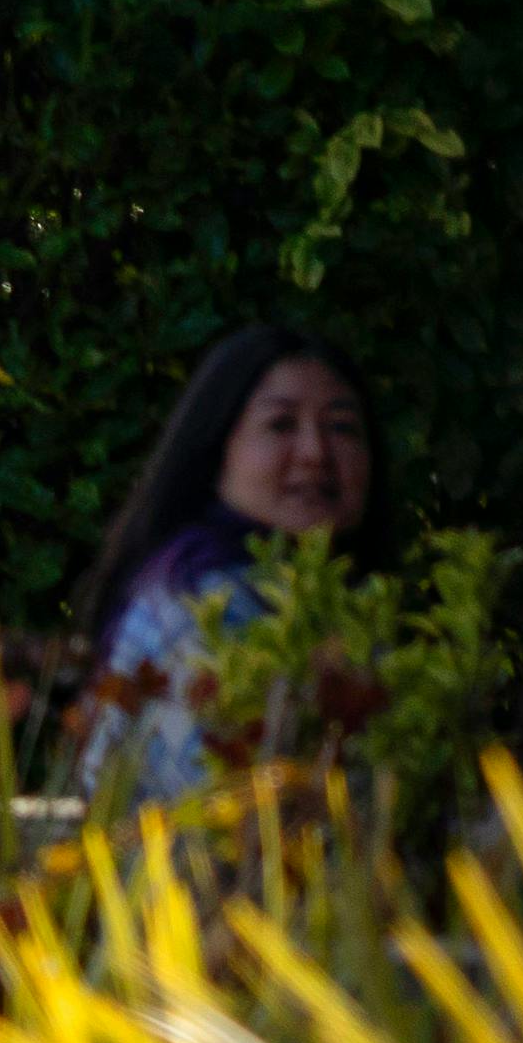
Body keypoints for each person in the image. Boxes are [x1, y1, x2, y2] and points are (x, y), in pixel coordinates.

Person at [72, 321, 384, 797]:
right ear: (219, 450)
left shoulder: (352, 606)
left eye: (341, 427)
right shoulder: (196, 604)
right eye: (281, 424)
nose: (315, 452)